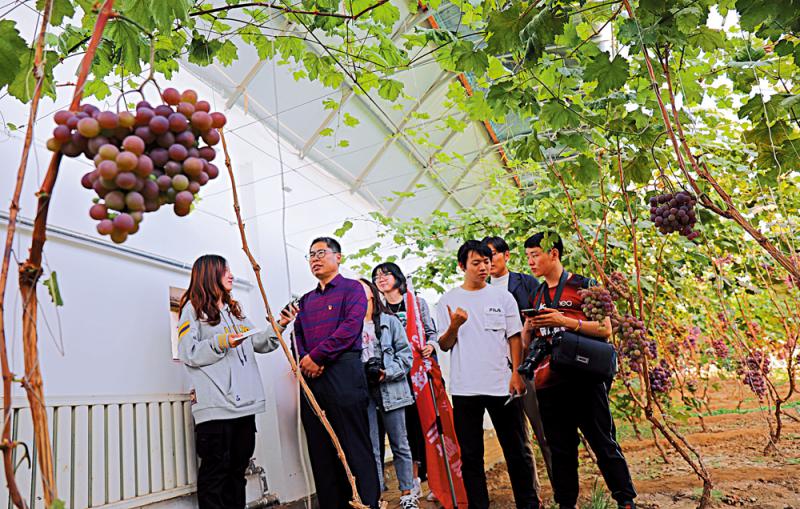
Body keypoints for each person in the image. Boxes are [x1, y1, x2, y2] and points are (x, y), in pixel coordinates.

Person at [522, 233, 636, 509]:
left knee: (603, 442)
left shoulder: (584, 286)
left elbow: (605, 329)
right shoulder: (536, 294)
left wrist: (565, 321)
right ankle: (566, 504)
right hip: (549, 383)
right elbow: (532, 341)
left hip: (584, 380)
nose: (531, 262)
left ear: (554, 254)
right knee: (560, 450)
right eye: (527, 257)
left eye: (535, 254)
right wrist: (528, 329)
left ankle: (626, 500)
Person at [435, 240, 540, 509]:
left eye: (486, 262)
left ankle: (527, 504)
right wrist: (455, 325)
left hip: (501, 385)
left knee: (516, 451)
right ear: (462, 266)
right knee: (471, 455)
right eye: (476, 263)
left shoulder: (502, 297)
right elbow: (445, 344)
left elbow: (514, 338)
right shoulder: (448, 301)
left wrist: (516, 373)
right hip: (465, 389)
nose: (483, 267)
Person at [177, 254, 281, 509]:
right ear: (210, 274)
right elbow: (188, 352)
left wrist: (280, 325)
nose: (231, 275)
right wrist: (221, 342)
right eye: (225, 271)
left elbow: (258, 342)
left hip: (245, 405)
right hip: (215, 408)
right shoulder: (192, 309)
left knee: (238, 471)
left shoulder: (235, 311)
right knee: (215, 474)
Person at [292, 237, 380, 509]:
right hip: (311, 381)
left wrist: (316, 357)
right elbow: (298, 333)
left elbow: (350, 328)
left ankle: (366, 504)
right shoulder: (305, 300)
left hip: (344, 374)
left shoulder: (352, 289)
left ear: (338, 257)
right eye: (311, 255)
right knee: (320, 451)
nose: (315, 259)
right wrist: (306, 359)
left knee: (354, 445)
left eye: (321, 252)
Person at [481, 236, 553, 489]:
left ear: (507, 255)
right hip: (499, 371)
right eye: (483, 258)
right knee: (517, 439)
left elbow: (542, 321)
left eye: (493, 256)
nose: (488, 263)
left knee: (543, 432)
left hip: (528, 368)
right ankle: (531, 496)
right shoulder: (480, 291)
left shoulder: (527, 283)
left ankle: (562, 493)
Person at [371, 262, 436, 499]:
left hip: (419, 375)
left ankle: (435, 480)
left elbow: (432, 332)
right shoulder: (377, 310)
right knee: (404, 430)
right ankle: (414, 480)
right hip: (393, 380)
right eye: (376, 276)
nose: (381, 278)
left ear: (398, 277)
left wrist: (431, 345)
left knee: (424, 426)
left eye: (386, 274)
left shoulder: (416, 304)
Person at [358, 278, 418, 509]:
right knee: (371, 446)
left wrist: (386, 372)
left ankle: (407, 494)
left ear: (372, 293)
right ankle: (377, 496)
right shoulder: (350, 324)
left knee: (400, 443)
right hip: (364, 391)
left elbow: (406, 357)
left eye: (360, 288)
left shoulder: (389, 322)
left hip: (391, 388)